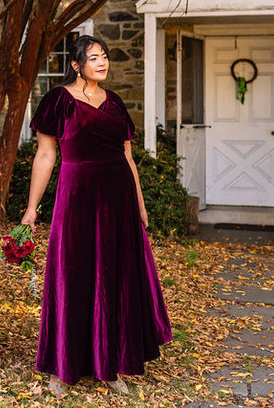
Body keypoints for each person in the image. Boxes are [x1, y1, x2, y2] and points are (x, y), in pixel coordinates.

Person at [21, 34, 172, 393]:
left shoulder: (116, 103)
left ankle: (113, 363)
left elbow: (128, 158)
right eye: (93, 58)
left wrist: (140, 203)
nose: (102, 62)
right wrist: (31, 209)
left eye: (104, 56)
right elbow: (45, 155)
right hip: (76, 197)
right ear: (76, 64)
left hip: (117, 199)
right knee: (72, 275)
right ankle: (63, 366)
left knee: (115, 277)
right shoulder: (58, 101)